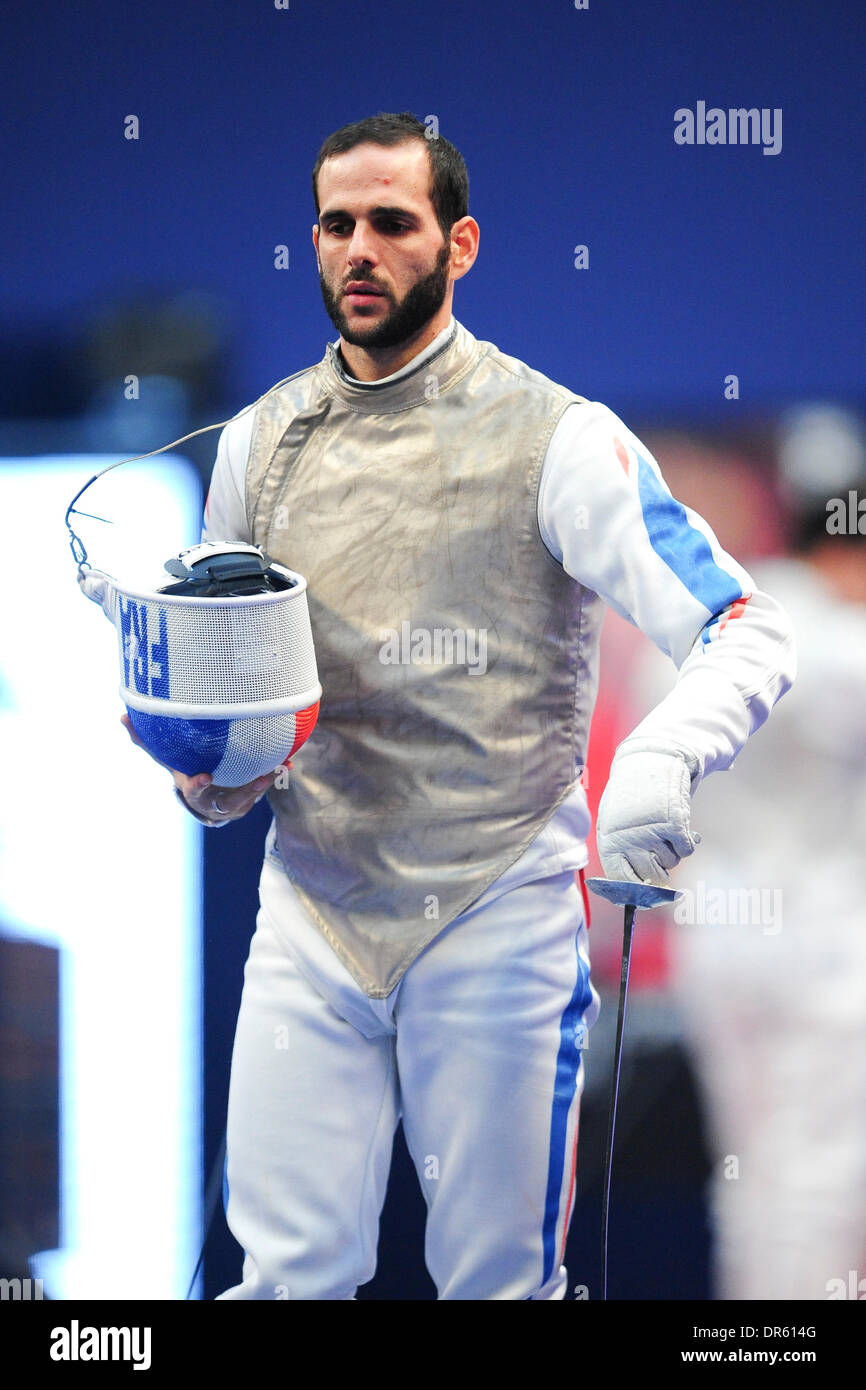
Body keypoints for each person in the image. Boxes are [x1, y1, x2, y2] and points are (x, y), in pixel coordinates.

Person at [125, 111, 795, 1300]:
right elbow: (242, 679)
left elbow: (743, 622)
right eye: (337, 224)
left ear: (459, 243)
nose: (360, 249)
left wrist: (658, 760)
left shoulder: (557, 438)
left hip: (494, 913)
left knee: (495, 1289)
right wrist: (216, 770)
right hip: (312, 912)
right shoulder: (259, 443)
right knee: (281, 1282)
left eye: (392, 222)